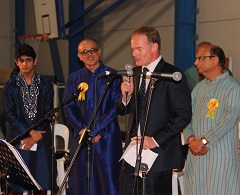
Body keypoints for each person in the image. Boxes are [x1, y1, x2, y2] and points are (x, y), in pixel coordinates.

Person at [117, 25, 192, 195]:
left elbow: (183, 115)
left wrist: (155, 140)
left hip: (158, 155)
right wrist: (125, 96)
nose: (134, 54)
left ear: (154, 47)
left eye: (138, 49)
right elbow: (122, 110)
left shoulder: (172, 75)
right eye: (132, 49)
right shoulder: (135, 73)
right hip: (132, 154)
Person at [63, 39, 123, 195]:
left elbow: (114, 107)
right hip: (81, 136)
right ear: (79, 56)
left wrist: (95, 129)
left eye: (93, 50)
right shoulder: (74, 78)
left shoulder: (113, 76)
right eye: (85, 52)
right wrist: (84, 130)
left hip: (106, 138)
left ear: (99, 52)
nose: (89, 55)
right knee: (80, 182)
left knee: (107, 182)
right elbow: (68, 107)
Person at [183, 42, 240, 195]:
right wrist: (191, 140)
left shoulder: (233, 87)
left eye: (200, 58)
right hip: (196, 156)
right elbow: (187, 117)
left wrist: (203, 141)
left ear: (215, 60)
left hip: (220, 157)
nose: (195, 63)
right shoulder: (198, 88)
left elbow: (228, 119)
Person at [3, 44, 56, 195]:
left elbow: (48, 113)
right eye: (21, 60)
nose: (25, 64)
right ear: (16, 62)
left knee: (41, 182)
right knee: (16, 184)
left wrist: (35, 137)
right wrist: (30, 133)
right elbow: (10, 115)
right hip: (18, 138)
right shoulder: (10, 86)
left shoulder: (45, 84)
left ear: (35, 61)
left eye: (28, 60)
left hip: (41, 137)